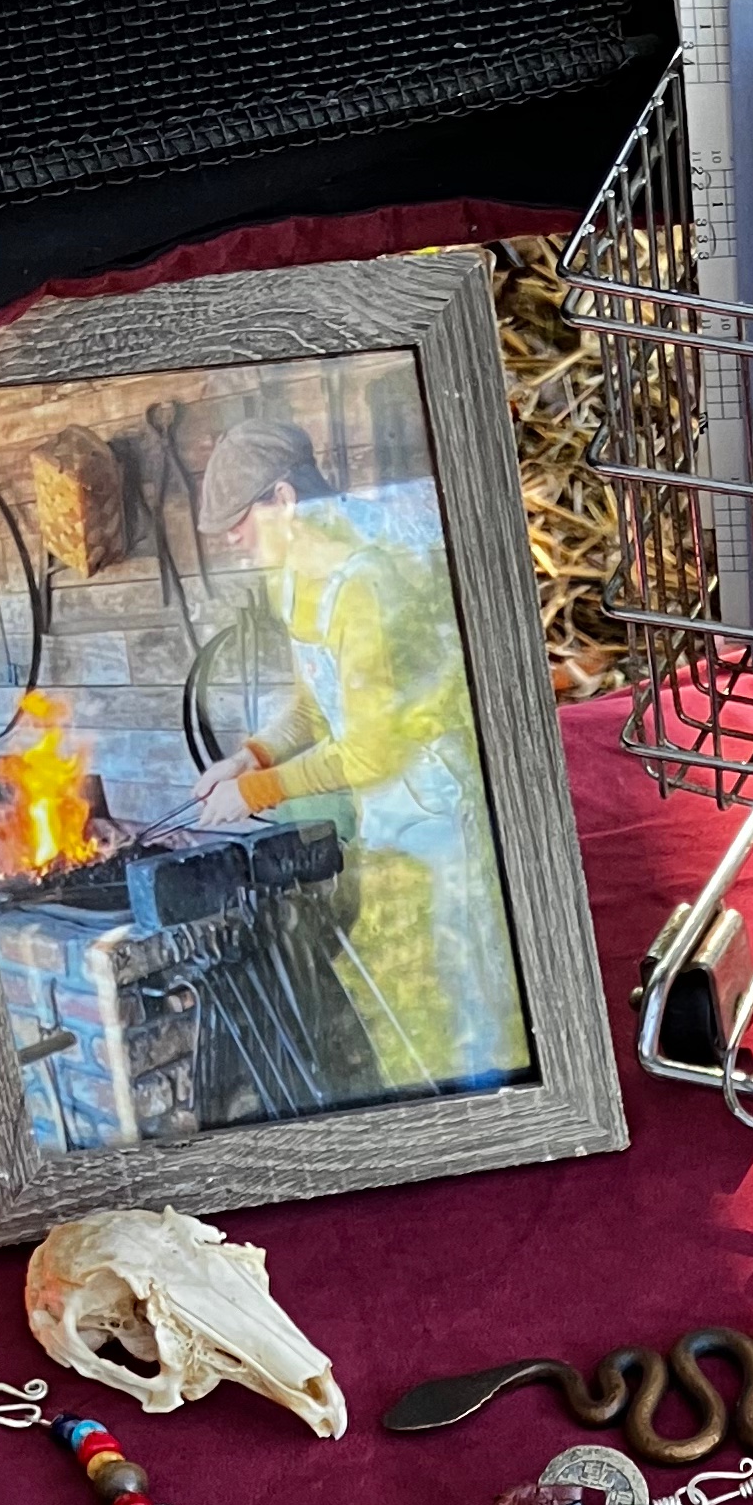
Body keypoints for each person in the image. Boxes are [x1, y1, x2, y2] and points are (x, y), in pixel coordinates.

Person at [192, 418, 527, 1092]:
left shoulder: (366, 581)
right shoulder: (292, 580)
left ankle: (499, 1117)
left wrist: (258, 793)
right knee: (417, 990)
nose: (231, 538)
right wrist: (252, 757)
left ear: (284, 499)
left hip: (435, 797)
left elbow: (372, 749)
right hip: (385, 804)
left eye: (238, 518)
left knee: (470, 992)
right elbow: (316, 704)